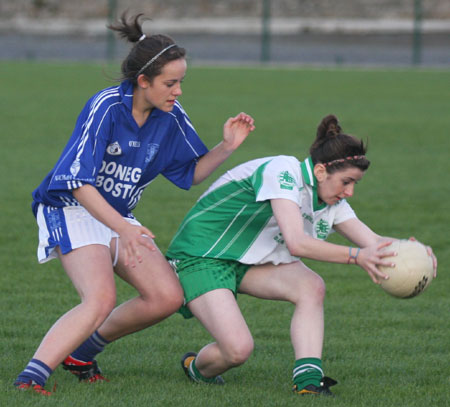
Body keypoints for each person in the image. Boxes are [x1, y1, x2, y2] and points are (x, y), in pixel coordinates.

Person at [13, 12, 255, 396]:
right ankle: (30, 378)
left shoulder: (170, 116)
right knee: (100, 299)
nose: (178, 91)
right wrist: (124, 228)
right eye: (170, 83)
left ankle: (82, 354)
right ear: (143, 81)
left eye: (181, 82)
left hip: (116, 216)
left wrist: (226, 147)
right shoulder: (107, 106)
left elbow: (190, 174)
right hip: (69, 206)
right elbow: (77, 183)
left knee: (166, 297)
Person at [166, 114, 437, 396]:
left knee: (311, 286)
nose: (350, 192)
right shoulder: (282, 171)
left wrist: (414, 251)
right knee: (237, 351)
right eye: (346, 181)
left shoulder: (331, 201)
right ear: (321, 172)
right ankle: (196, 368)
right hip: (202, 256)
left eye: (355, 183)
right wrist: (357, 256)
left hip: (246, 262)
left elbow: (375, 242)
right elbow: (297, 243)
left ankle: (308, 380)